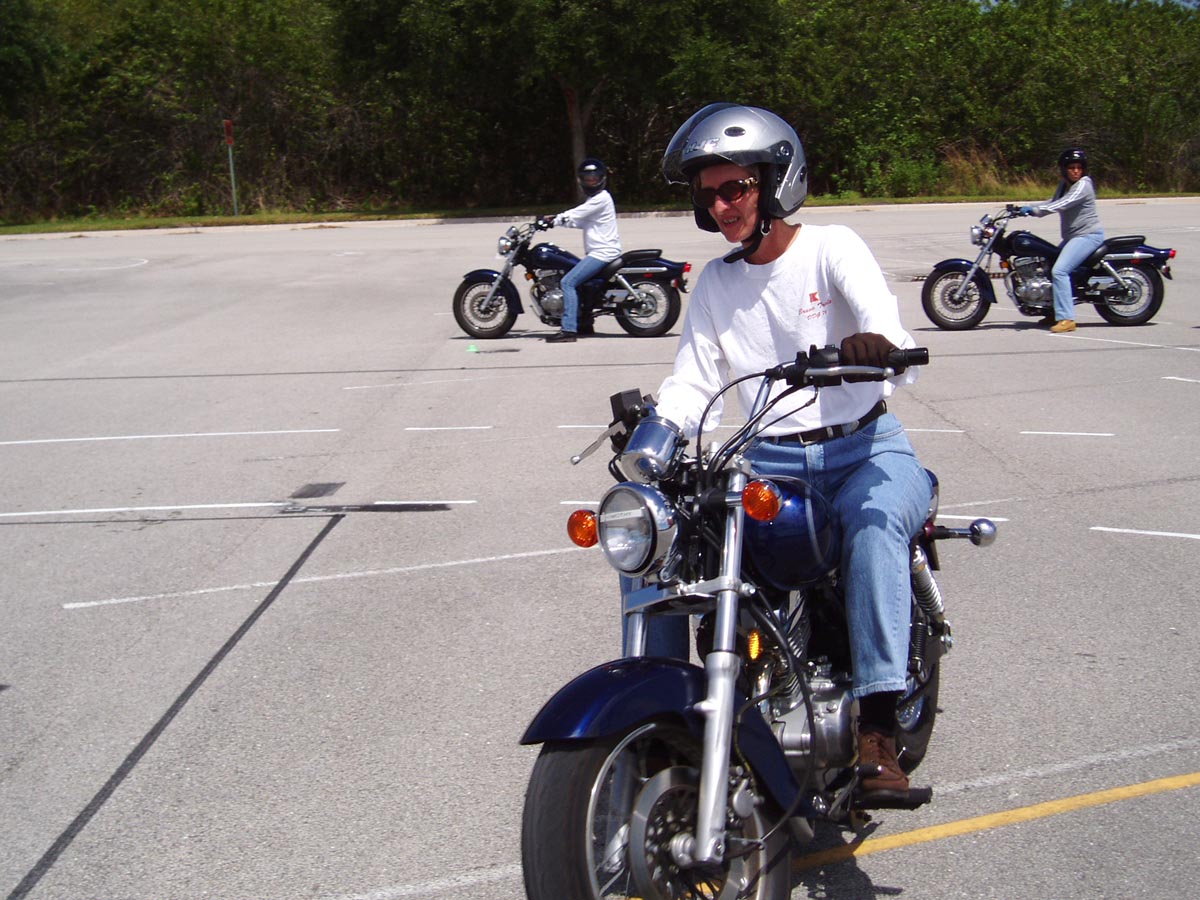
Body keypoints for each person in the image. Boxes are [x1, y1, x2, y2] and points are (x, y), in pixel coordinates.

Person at [652, 103, 932, 802]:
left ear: (775, 183)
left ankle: (877, 730)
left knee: (872, 528)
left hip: (865, 451)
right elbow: (693, 379)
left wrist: (876, 347)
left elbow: (887, 325)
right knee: (694, 545)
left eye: (735, 188)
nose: (721, 206)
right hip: (772, 463)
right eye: (709, 194)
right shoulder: (716, 282)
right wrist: (653, 436)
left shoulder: (832, 248)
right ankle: (711, 709)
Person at [1020, 148, 1105, 333]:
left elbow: (1063, 204)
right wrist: (1026, 208)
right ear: (1064, 169)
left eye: (1079, 167)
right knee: (1048, 265)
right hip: (1073, 237)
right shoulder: (1064, 185)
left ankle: (1067, 318)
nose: (1075, 171)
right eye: (1071, 167)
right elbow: (1053, 201)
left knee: (1060, 271)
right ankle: (1052, 311)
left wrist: (1035, 211)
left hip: (1087, 235)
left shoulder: (1083, 184)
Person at [540, 157, 622, 343]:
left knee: (568, 282)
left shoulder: (601, 198)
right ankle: (585, 323)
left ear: (602, 179)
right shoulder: (595, 200)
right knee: (581, 284)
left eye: (594, 178)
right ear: (581, 180)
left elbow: (576, 213)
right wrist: (556, 222)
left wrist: (554, 219)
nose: (591, 182)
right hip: (601, 252)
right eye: (587, 178)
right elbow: (580, 221)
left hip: (603, 253)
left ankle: (568, 329)